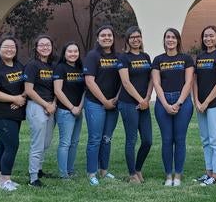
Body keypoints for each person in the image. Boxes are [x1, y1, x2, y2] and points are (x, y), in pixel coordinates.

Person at [152, 28, 194, 187]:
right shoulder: (158, 59)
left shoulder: (186, 59)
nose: (170, 40)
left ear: (178, 40)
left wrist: (178, 103)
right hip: (163, 102)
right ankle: (168, 174)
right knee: (167, 140)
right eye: (167, 37)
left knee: (180, 139)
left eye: (173, 37)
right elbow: (156, 83)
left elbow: (188, 83)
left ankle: (178, 175)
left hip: (182, 101)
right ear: (164, 40)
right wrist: (166, 104)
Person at [0, 37, 26, 192]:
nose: (10, 50)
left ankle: (1, 177)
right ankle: (6, 181)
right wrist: (14, 98)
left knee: (4, 145)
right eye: (6, 47)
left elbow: (26, 84)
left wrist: (22, 97)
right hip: (0, 115)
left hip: (16, 114)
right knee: (12, 145)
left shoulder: (18, 65)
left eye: (13, 47)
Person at [83, 25, 121, 186]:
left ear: (113, 38)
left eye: (109, 35)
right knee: (95, 138)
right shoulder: (92, 56)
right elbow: (89, 81)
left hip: (114, 104)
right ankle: (92, 172)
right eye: (103, 35)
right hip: (95, 103)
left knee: (107, 139)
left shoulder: (118, 56)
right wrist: (104, 101)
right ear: (98, 38)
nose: (107, 37)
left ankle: (104, 170)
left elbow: (123, 80)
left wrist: (115, 99)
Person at [193, 25, 216, 186]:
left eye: (211, 36)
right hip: (201, 106)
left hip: (214, 104)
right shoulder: (199, 57)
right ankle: (208, 172)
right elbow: (195, 81)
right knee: (205, 140)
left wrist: (206, 102)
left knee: (215, 140)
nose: (208, 38)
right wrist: (197, 101)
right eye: (205, 36)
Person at [117, 26, 153, 184]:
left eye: (138, 36)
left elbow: (151, 79)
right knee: (131, 139)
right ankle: (132, 175)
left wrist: (147, 98)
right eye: (132, 37)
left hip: (143, 103)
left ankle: (138, 168)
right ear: (127, 40)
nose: (136, 39)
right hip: (128, 103)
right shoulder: (123, 58)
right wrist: (140, 100)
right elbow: (125, 82)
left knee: (147, 140)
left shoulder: (146, 56)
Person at [25, 34, 57, 187]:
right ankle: (33, 178)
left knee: (46, 142)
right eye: (42, 45)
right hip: (37, 106)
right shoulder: (32, 65)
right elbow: (29, 90)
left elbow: (57, 88)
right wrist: (46, 104)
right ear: (36, 48)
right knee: (37, 143)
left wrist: (53, 104)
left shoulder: (53, 65)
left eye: (48, 45)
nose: (45, 47)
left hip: (51, 107)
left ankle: (38, 169)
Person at [53, 42, 85, 179]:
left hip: (78, 110)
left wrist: (79, 107)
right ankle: (63, 174)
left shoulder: (80, 68)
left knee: (74, 142)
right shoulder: (60, 68)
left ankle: (70, 170)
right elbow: (58, 91)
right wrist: (72, 108)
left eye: (75, 51)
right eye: (70, 51)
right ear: (64, 54)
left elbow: (85, 90)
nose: (73, 54)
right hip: (65, 111)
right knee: (65, 143)